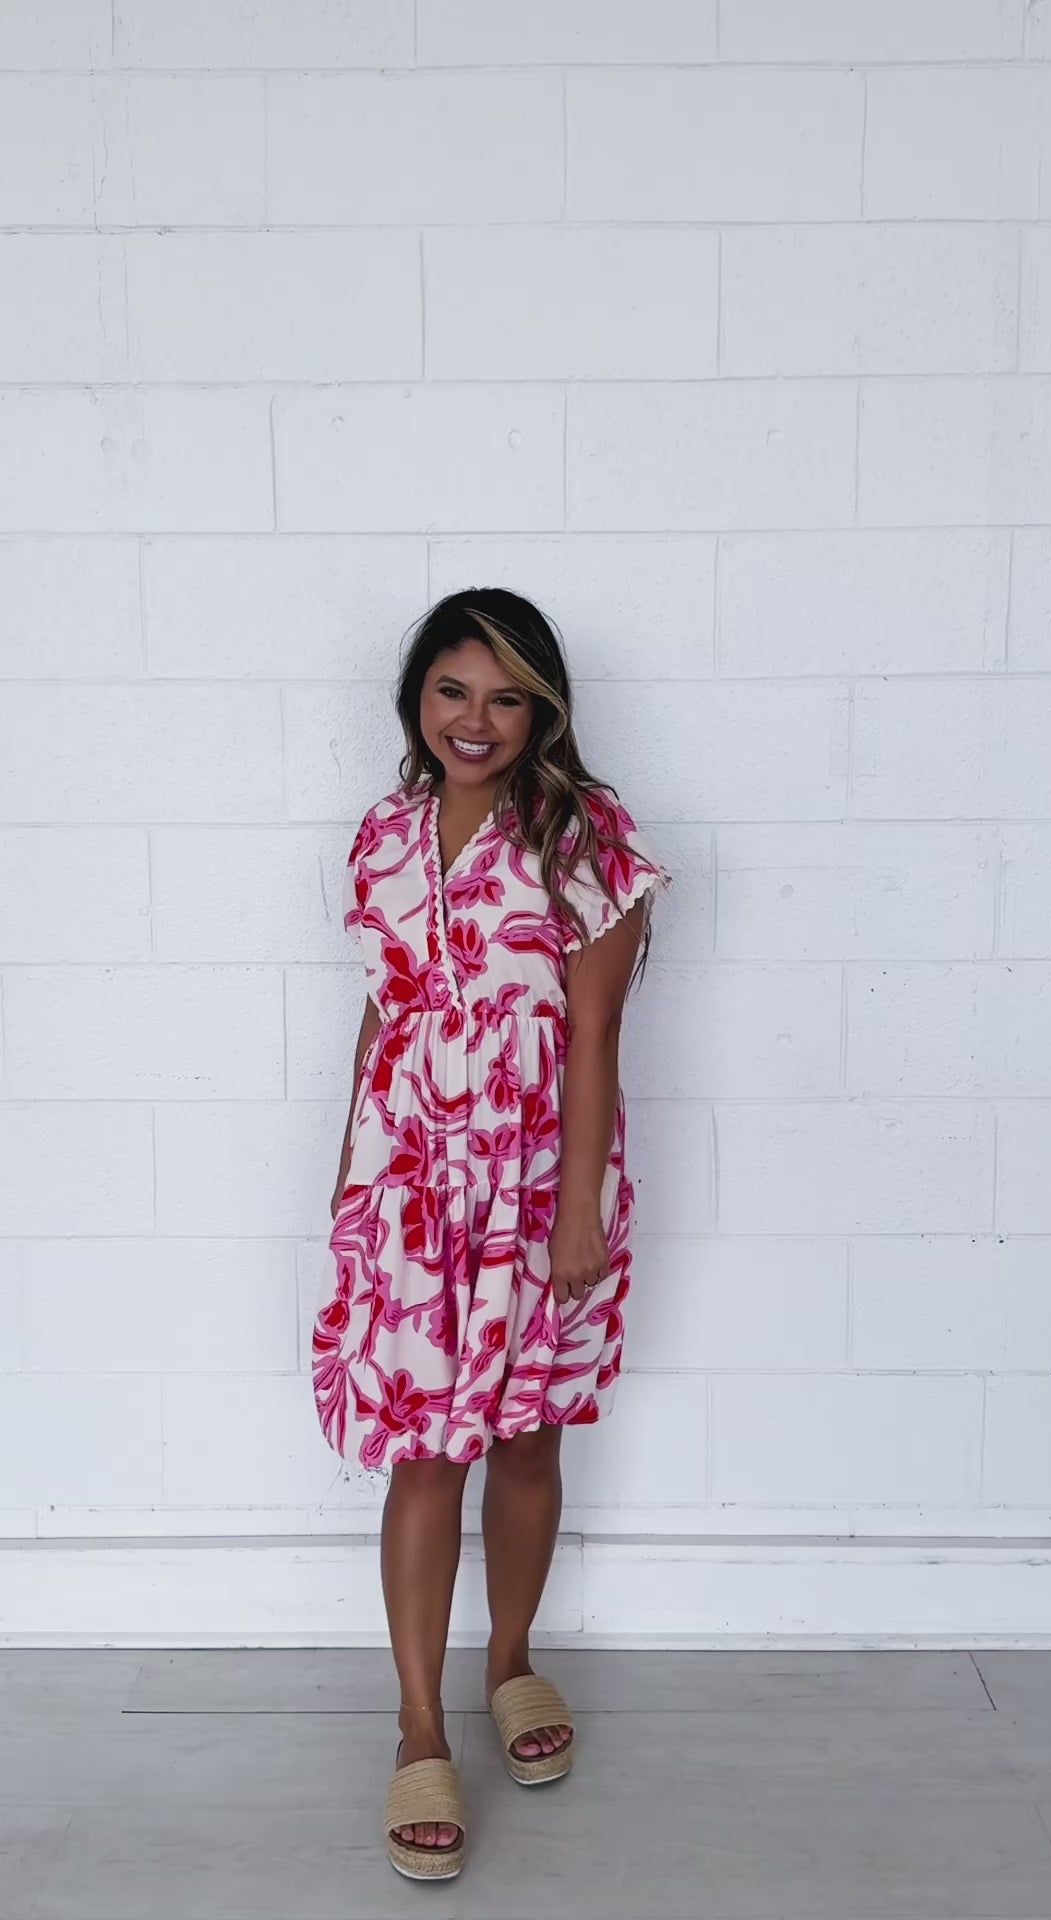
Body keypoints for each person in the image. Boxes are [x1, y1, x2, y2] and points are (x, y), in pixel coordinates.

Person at [311, 588, 669, 1881]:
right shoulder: (381, 837)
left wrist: (576, 1212)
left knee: (525, 1439)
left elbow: (595, 1034)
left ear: (543, 711)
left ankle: (509, 1662)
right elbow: (384, 1010)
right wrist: (351, 1174)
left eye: (508, 697)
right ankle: (420, 1727)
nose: (477, 720)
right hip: (409, 1192)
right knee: (423, 1455)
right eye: (454, 691)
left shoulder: (587, 837)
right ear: (417, 695)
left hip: (536, 1187)